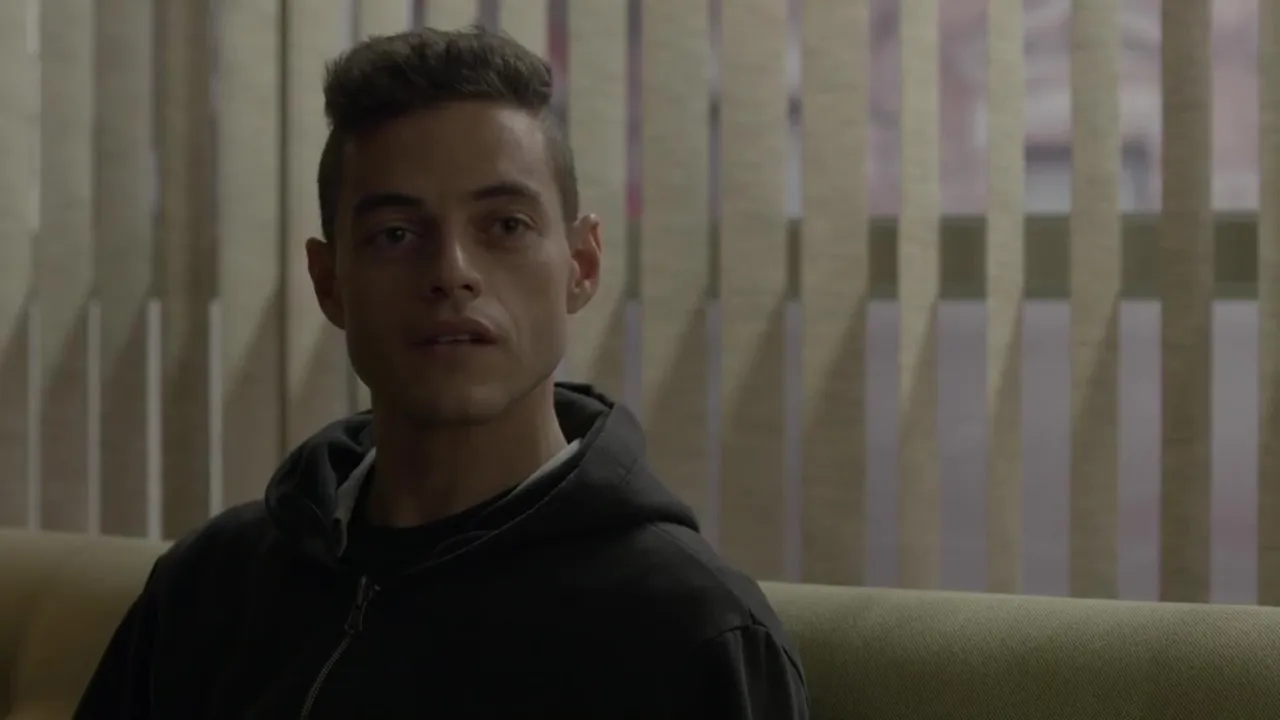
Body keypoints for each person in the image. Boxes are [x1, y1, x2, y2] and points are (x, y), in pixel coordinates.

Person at [75, 26, 809, 719]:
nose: (452, 272)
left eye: (506, 226)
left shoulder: (689, 631)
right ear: (330, 283)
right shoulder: (209, 588)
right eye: (396, 234)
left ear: (581, 266)